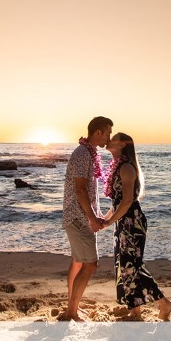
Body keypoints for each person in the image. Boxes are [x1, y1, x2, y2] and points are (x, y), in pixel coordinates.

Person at [102, 132, 171, 321]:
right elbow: (116, 203)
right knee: (125, 267)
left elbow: (126, 202)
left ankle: (164, 304)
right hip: (123, 222)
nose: (109, 140)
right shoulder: (119, 167)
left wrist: (109, 221)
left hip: (132, 222)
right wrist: (105, 219)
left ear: (122, 145)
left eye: (113, 138)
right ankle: (135, 310)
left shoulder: (126, 168)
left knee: (132, 265)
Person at [61, 116, 113, 322]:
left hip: (79, 216)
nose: (108, 137)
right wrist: (91, 218)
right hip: (78, 218)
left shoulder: (88, 153)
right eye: (107, 132)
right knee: (90, 264)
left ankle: (71, 307)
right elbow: (80, 189)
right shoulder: (83, 153)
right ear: (97, 132)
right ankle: (71, 312)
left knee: (78, 263)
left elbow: (86, 190)